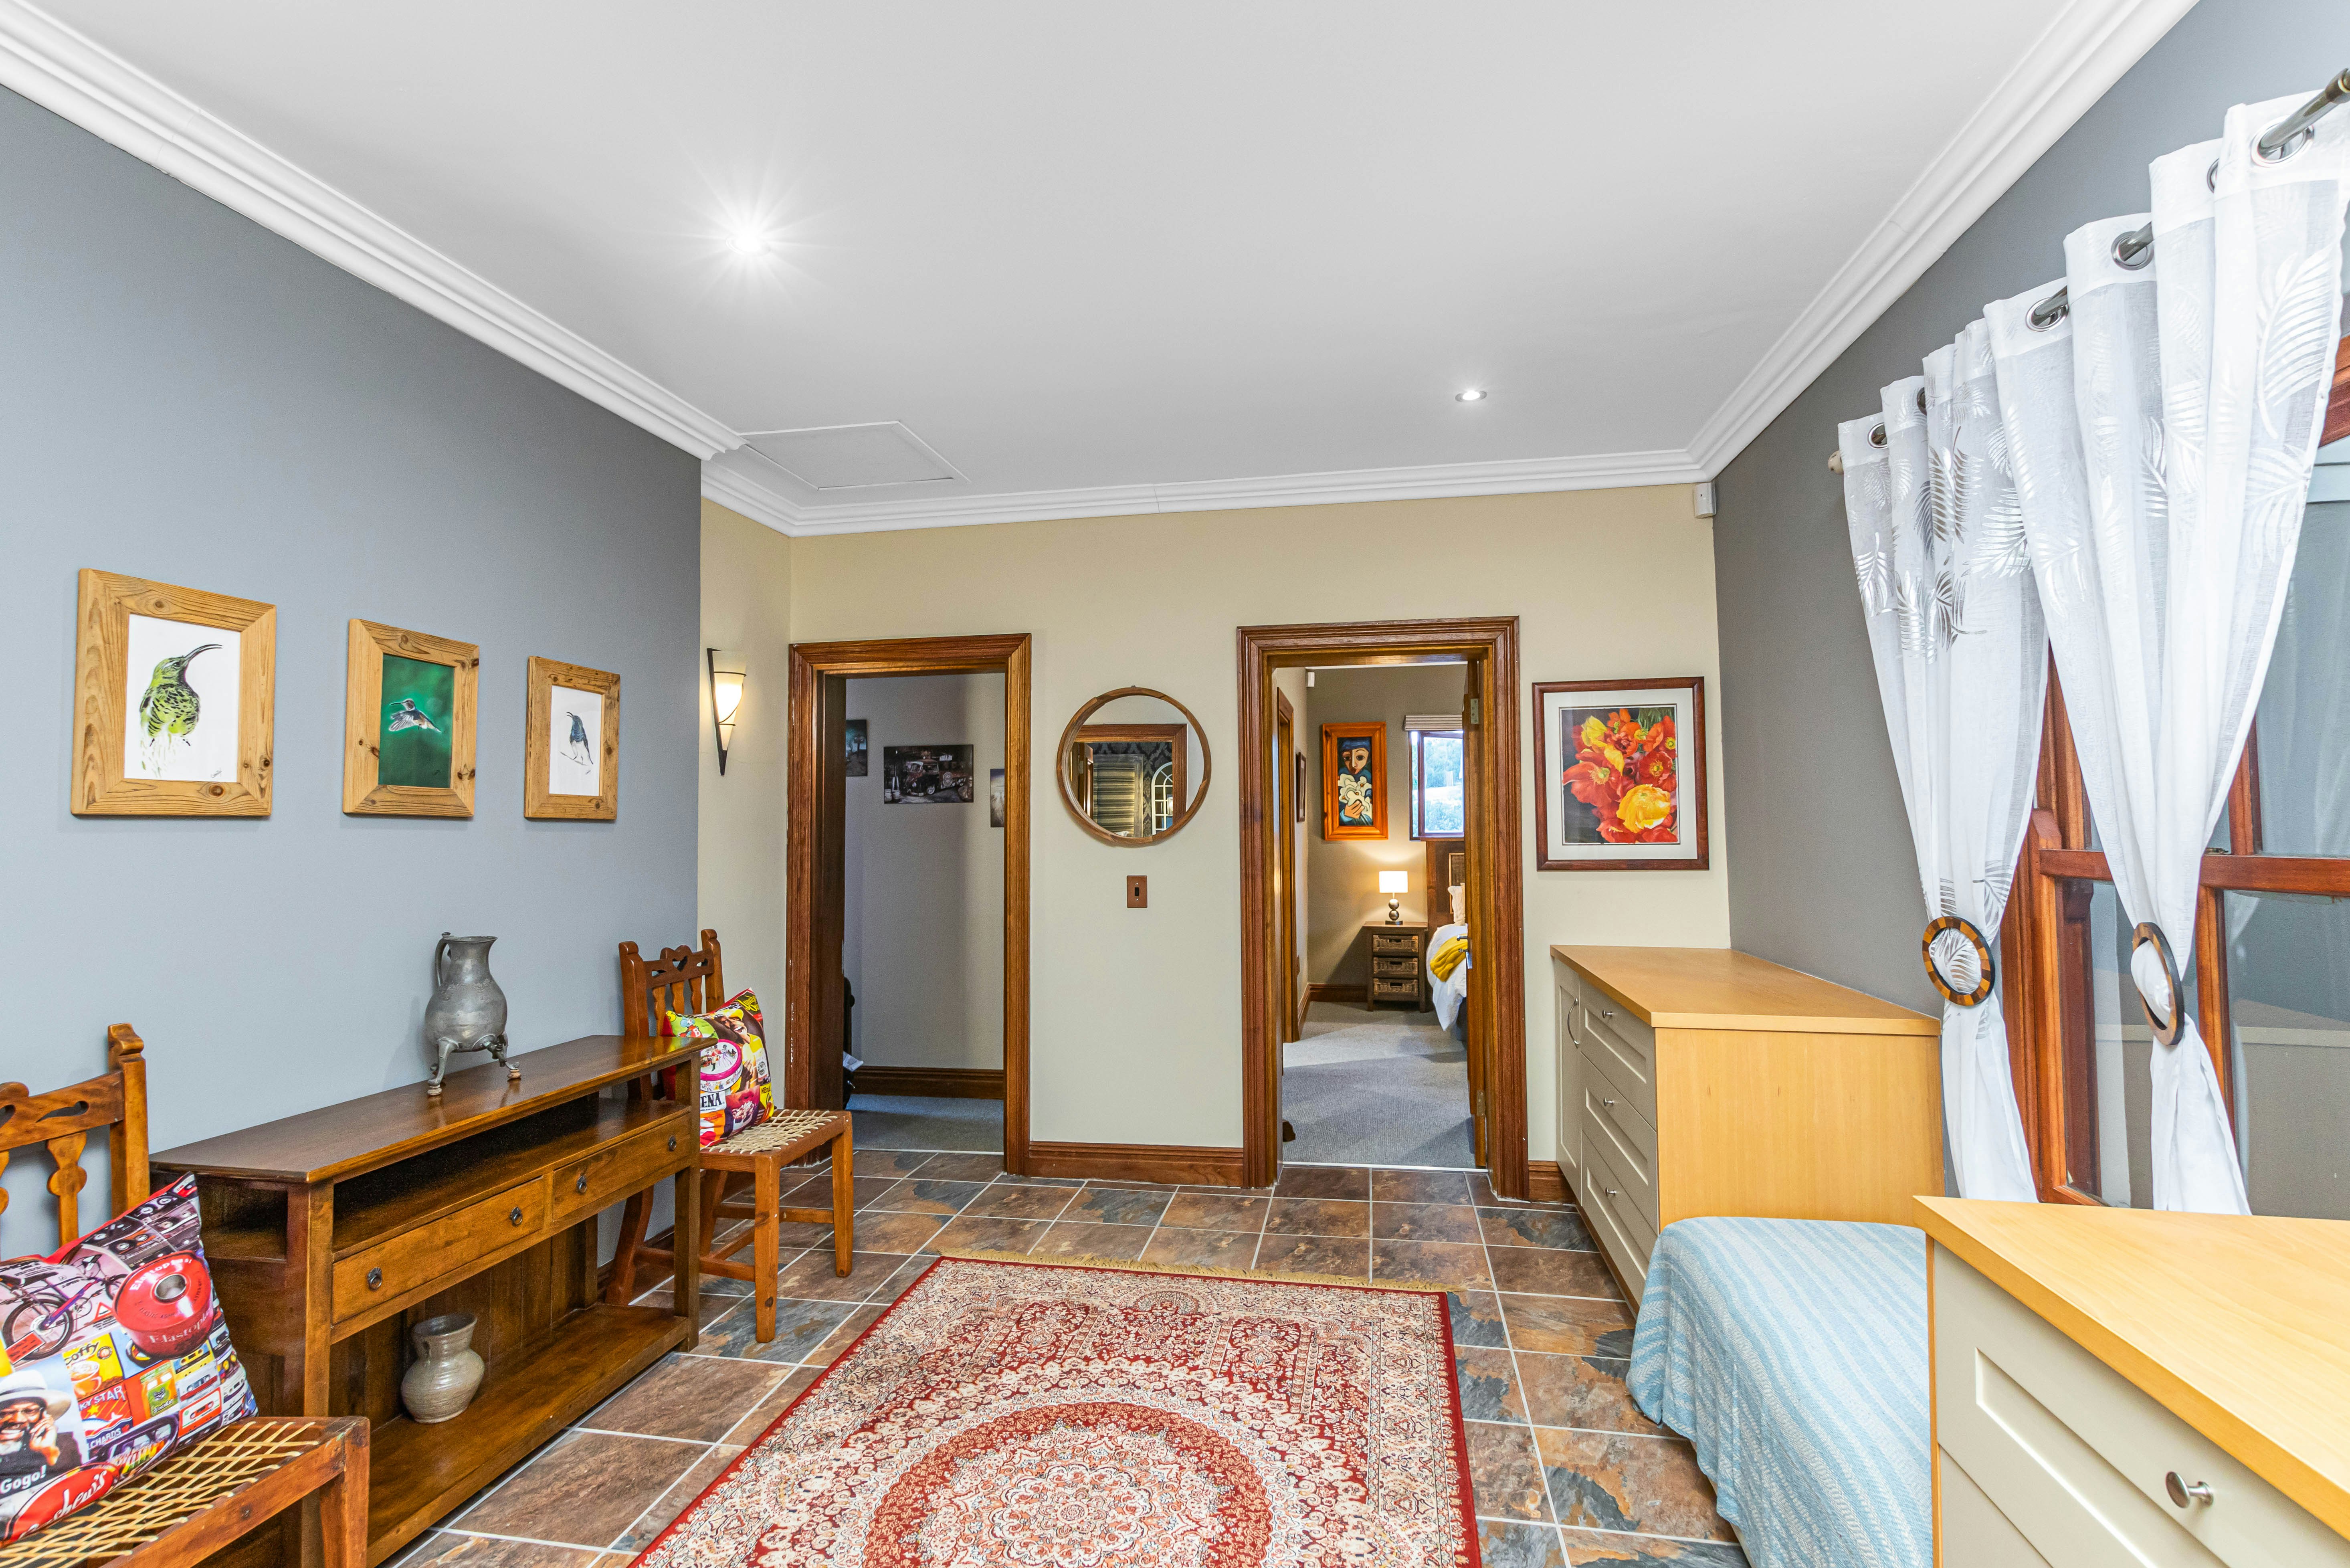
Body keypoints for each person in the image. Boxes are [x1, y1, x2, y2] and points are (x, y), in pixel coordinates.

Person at [0, 1371, 80, 1488]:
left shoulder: (64, 1443)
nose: (17, 1420)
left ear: (44, 1415)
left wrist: (49, 1453)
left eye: (30, 1411)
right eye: (6, 1413)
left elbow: (76, 1484)